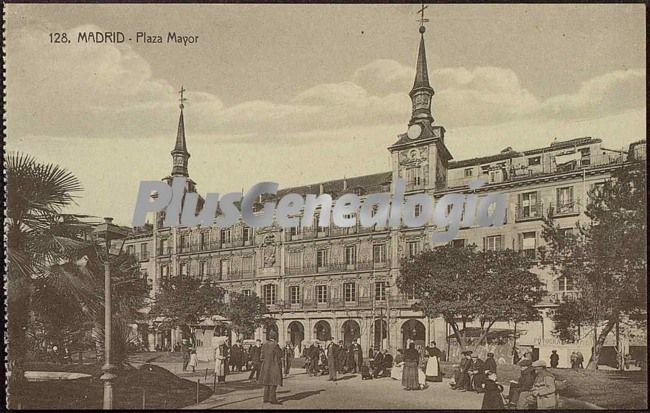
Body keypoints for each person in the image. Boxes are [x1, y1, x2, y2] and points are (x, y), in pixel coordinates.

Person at [260, 329, 283, 405]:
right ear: (275, 337)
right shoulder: (275, 345)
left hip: (266, 365)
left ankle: (265, 398)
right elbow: (280, 355)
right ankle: (272, 399)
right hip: (274, 365)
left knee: (267, 382)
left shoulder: (264, 344)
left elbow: (262, 356)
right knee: (273, 382)